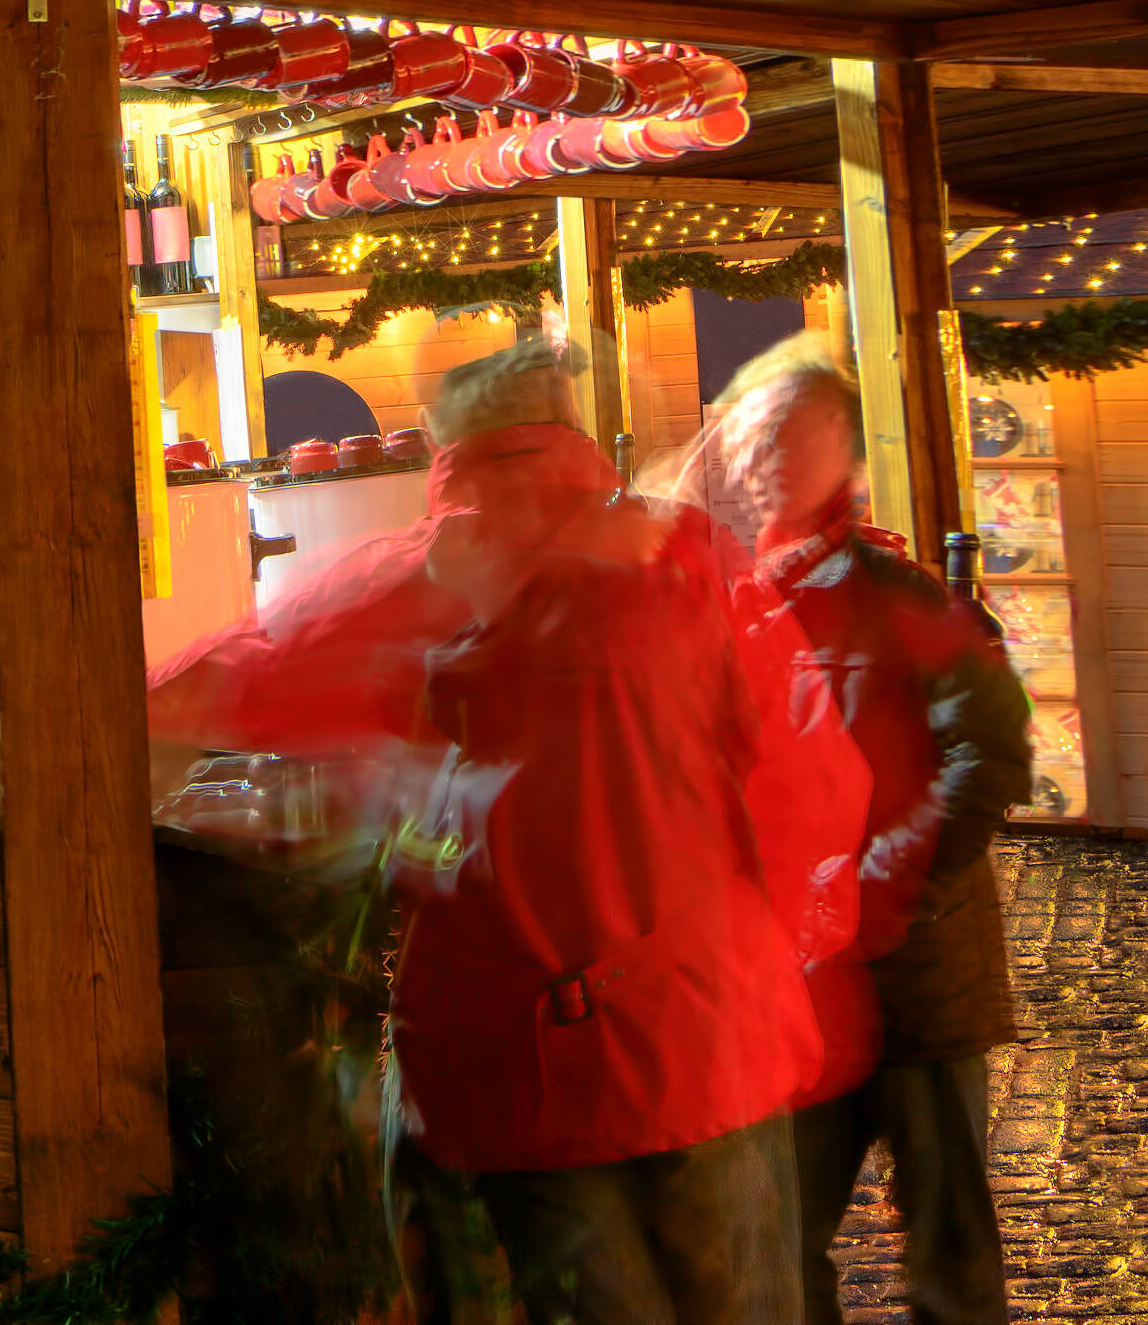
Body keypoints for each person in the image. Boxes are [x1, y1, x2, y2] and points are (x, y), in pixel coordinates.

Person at [150, 336, 828, 1325]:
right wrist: (766, 945)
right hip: (718, 1028)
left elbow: (208, 688)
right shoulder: (696, 555)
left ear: (445, 438)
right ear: (573, 426)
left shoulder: (405, 578)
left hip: (526, 1053)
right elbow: (811, 775)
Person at [683, 345, 1022, 1325]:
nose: (761, 463)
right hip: (791, 988)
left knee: (950, 1260)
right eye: (748, 441)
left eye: (789, 438)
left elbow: (989, 754)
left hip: (918, 973)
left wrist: (874, 881)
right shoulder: (732, 601)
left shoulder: (903, 595)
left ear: (842, 447)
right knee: (777, 1253)